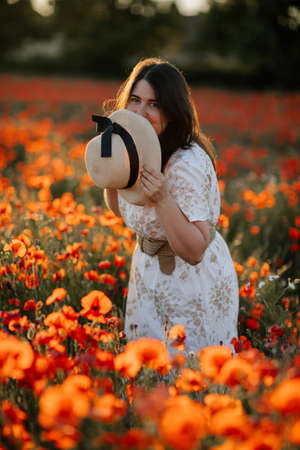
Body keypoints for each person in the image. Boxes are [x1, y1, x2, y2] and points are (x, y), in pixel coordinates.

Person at [103, 57, 239, 354]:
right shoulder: (140, 147)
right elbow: (125, 211)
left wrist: (163, 199)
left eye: (155, 104)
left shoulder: (184, 164)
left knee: (188, 371)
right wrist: (112, 170)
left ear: (173, 111)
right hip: (148, 272)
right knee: (151, 369)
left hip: (190, 280)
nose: (141, 112)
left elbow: (194, 251)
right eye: (135, 100)